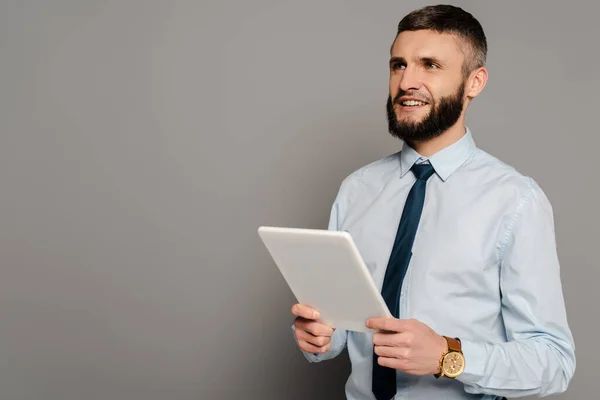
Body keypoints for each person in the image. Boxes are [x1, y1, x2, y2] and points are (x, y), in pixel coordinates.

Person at [290, 4, 575, 400]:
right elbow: (340, 329)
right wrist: (321, 337)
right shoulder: (356, 190)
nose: (407, 81)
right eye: (398, 65)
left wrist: (448, 356)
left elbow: (554, 362)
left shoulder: (515, 200)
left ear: (474, 82)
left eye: (430, 65)